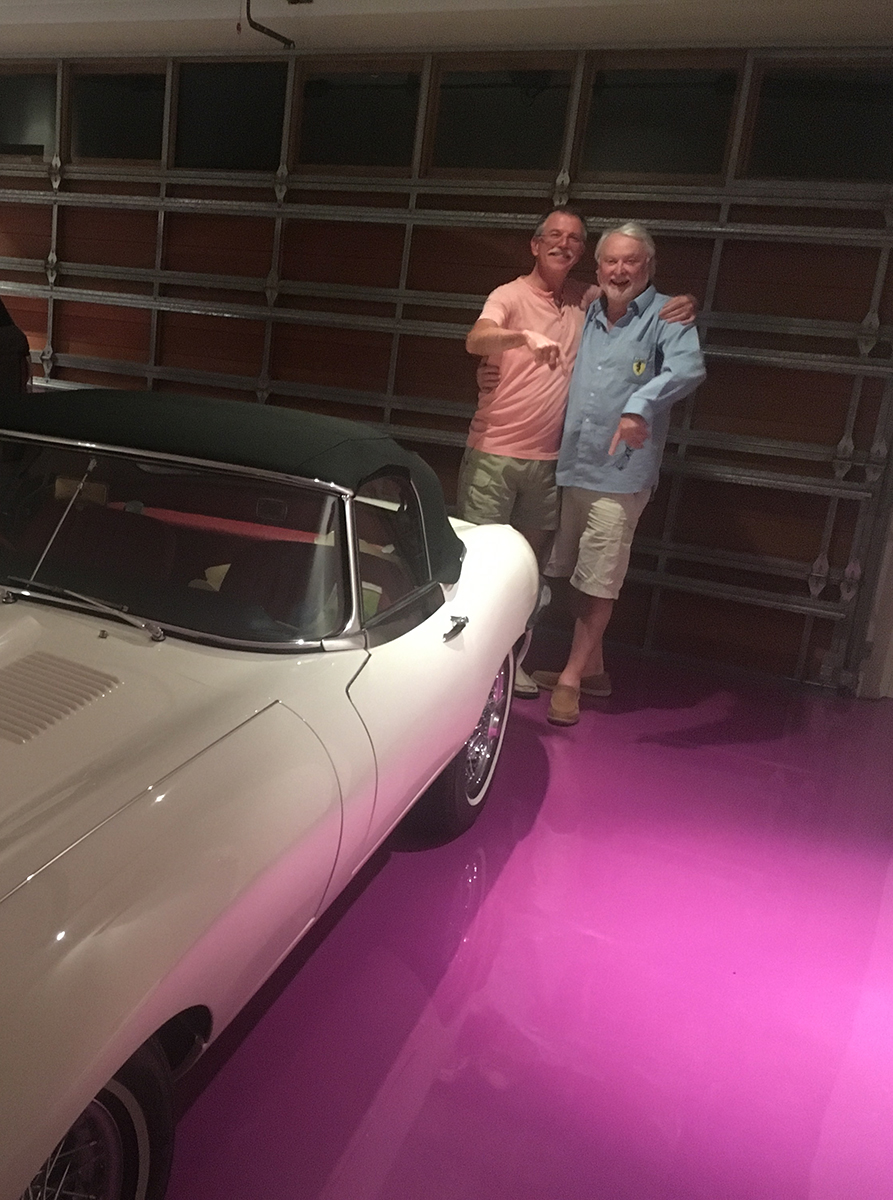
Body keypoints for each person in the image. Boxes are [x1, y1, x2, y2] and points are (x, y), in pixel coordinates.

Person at [459, 207, 694, 696]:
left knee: (534, 576)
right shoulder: (534, 299)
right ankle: (470, 668)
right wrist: (511, 345)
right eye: (554, 236)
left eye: (575, 239)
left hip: (562, 467)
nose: (564, 244)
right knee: (481, 565)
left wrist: (685, 304)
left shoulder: (598, 305)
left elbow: (676, 351)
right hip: (510, 456)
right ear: (535, 243)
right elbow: (477, 338)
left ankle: (523, 667)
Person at [530, 221, 706, 726]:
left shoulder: (667, 317)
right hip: (574, 465)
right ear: (599, 266)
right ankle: (596, 670)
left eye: (631, 261)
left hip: (621, 475)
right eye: (611, 260)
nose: (620, 270)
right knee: (567, 574)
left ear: (648, 267)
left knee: (599, 583)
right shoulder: (587, 308)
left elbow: (689, 369)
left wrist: (640, 406)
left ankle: (568, 681)